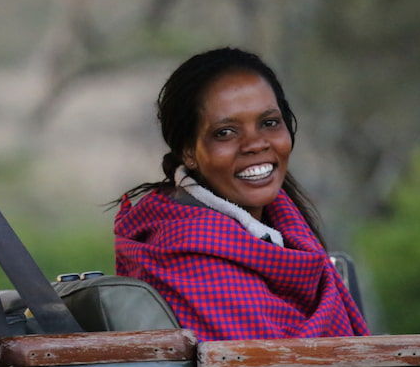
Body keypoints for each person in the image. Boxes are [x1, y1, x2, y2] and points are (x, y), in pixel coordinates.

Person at [114, 47, 369, 341]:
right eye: (225, 132)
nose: (256, 144)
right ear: (188, 151)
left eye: (269, 123)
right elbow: (272, 366)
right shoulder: (192, 258)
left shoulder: (285, 232)